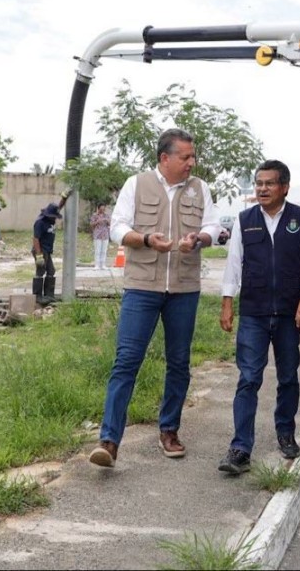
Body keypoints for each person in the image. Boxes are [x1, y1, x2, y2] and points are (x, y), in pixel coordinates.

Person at [88, 128, 222, 468]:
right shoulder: (137, 183)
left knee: (178, 362)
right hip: (142, 288)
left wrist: (201, 239)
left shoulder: (200, 188)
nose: (191, 163)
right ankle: (109, 440)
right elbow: (117, 226)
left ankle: (169, 430)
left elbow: (214, 226)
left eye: (193, 157)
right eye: (185, 157)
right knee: (126, 361)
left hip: (184, 289)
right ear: (165, 158)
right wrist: (147, 240)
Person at [217, 159, 300, 475]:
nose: (262, 189)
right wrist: (227, 302)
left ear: (284, 187)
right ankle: (240, 448)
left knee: (288, 376)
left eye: (269, 183)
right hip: (254, 312)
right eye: (259, 183)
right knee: (248, 378)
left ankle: (285, 432)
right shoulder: (244, 219)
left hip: (290, 312)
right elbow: (234, 264)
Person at [33, 202, 62, 305]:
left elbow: (59, 207)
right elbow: (36, 239)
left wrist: (64, 198)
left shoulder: (51, 220)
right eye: (53, 217)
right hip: (40, 250)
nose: (55, 219)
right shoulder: (40, 222)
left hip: (48, 250)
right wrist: (39, 255)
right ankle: (37, 296)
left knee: (51, 271)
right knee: (40, 271)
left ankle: (49, 295)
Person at [90, 203, 111, 270]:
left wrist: (107, 221)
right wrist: (97, 221)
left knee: (104, 250)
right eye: (101, 209)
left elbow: (110, 223)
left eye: (103, 209)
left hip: (105, 235)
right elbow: (91, 224)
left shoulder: (107, 215)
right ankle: (97, 265)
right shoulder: (94, 215)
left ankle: (103, 265)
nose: (102, 210)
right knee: (97, 250)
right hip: (97, 235)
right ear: (98, 209)